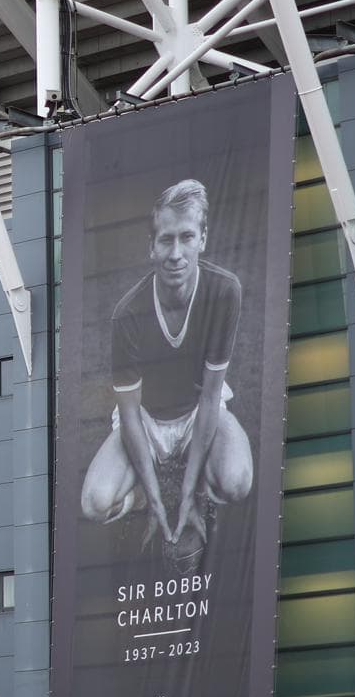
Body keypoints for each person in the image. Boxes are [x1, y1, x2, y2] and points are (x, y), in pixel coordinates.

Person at [79, 179, 253, 560]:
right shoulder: (128, 313)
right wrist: (158, 502)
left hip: (197, 411)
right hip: (146, 420)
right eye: (166, 240)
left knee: (237, 482)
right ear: (151, 247)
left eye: (187, 237)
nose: (176, 253)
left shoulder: (225, 292)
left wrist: (188, 496)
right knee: (94, 503)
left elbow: (209, 397)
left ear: (203, 239)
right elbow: (128, 413)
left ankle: (200, 490)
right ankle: (143, 496)